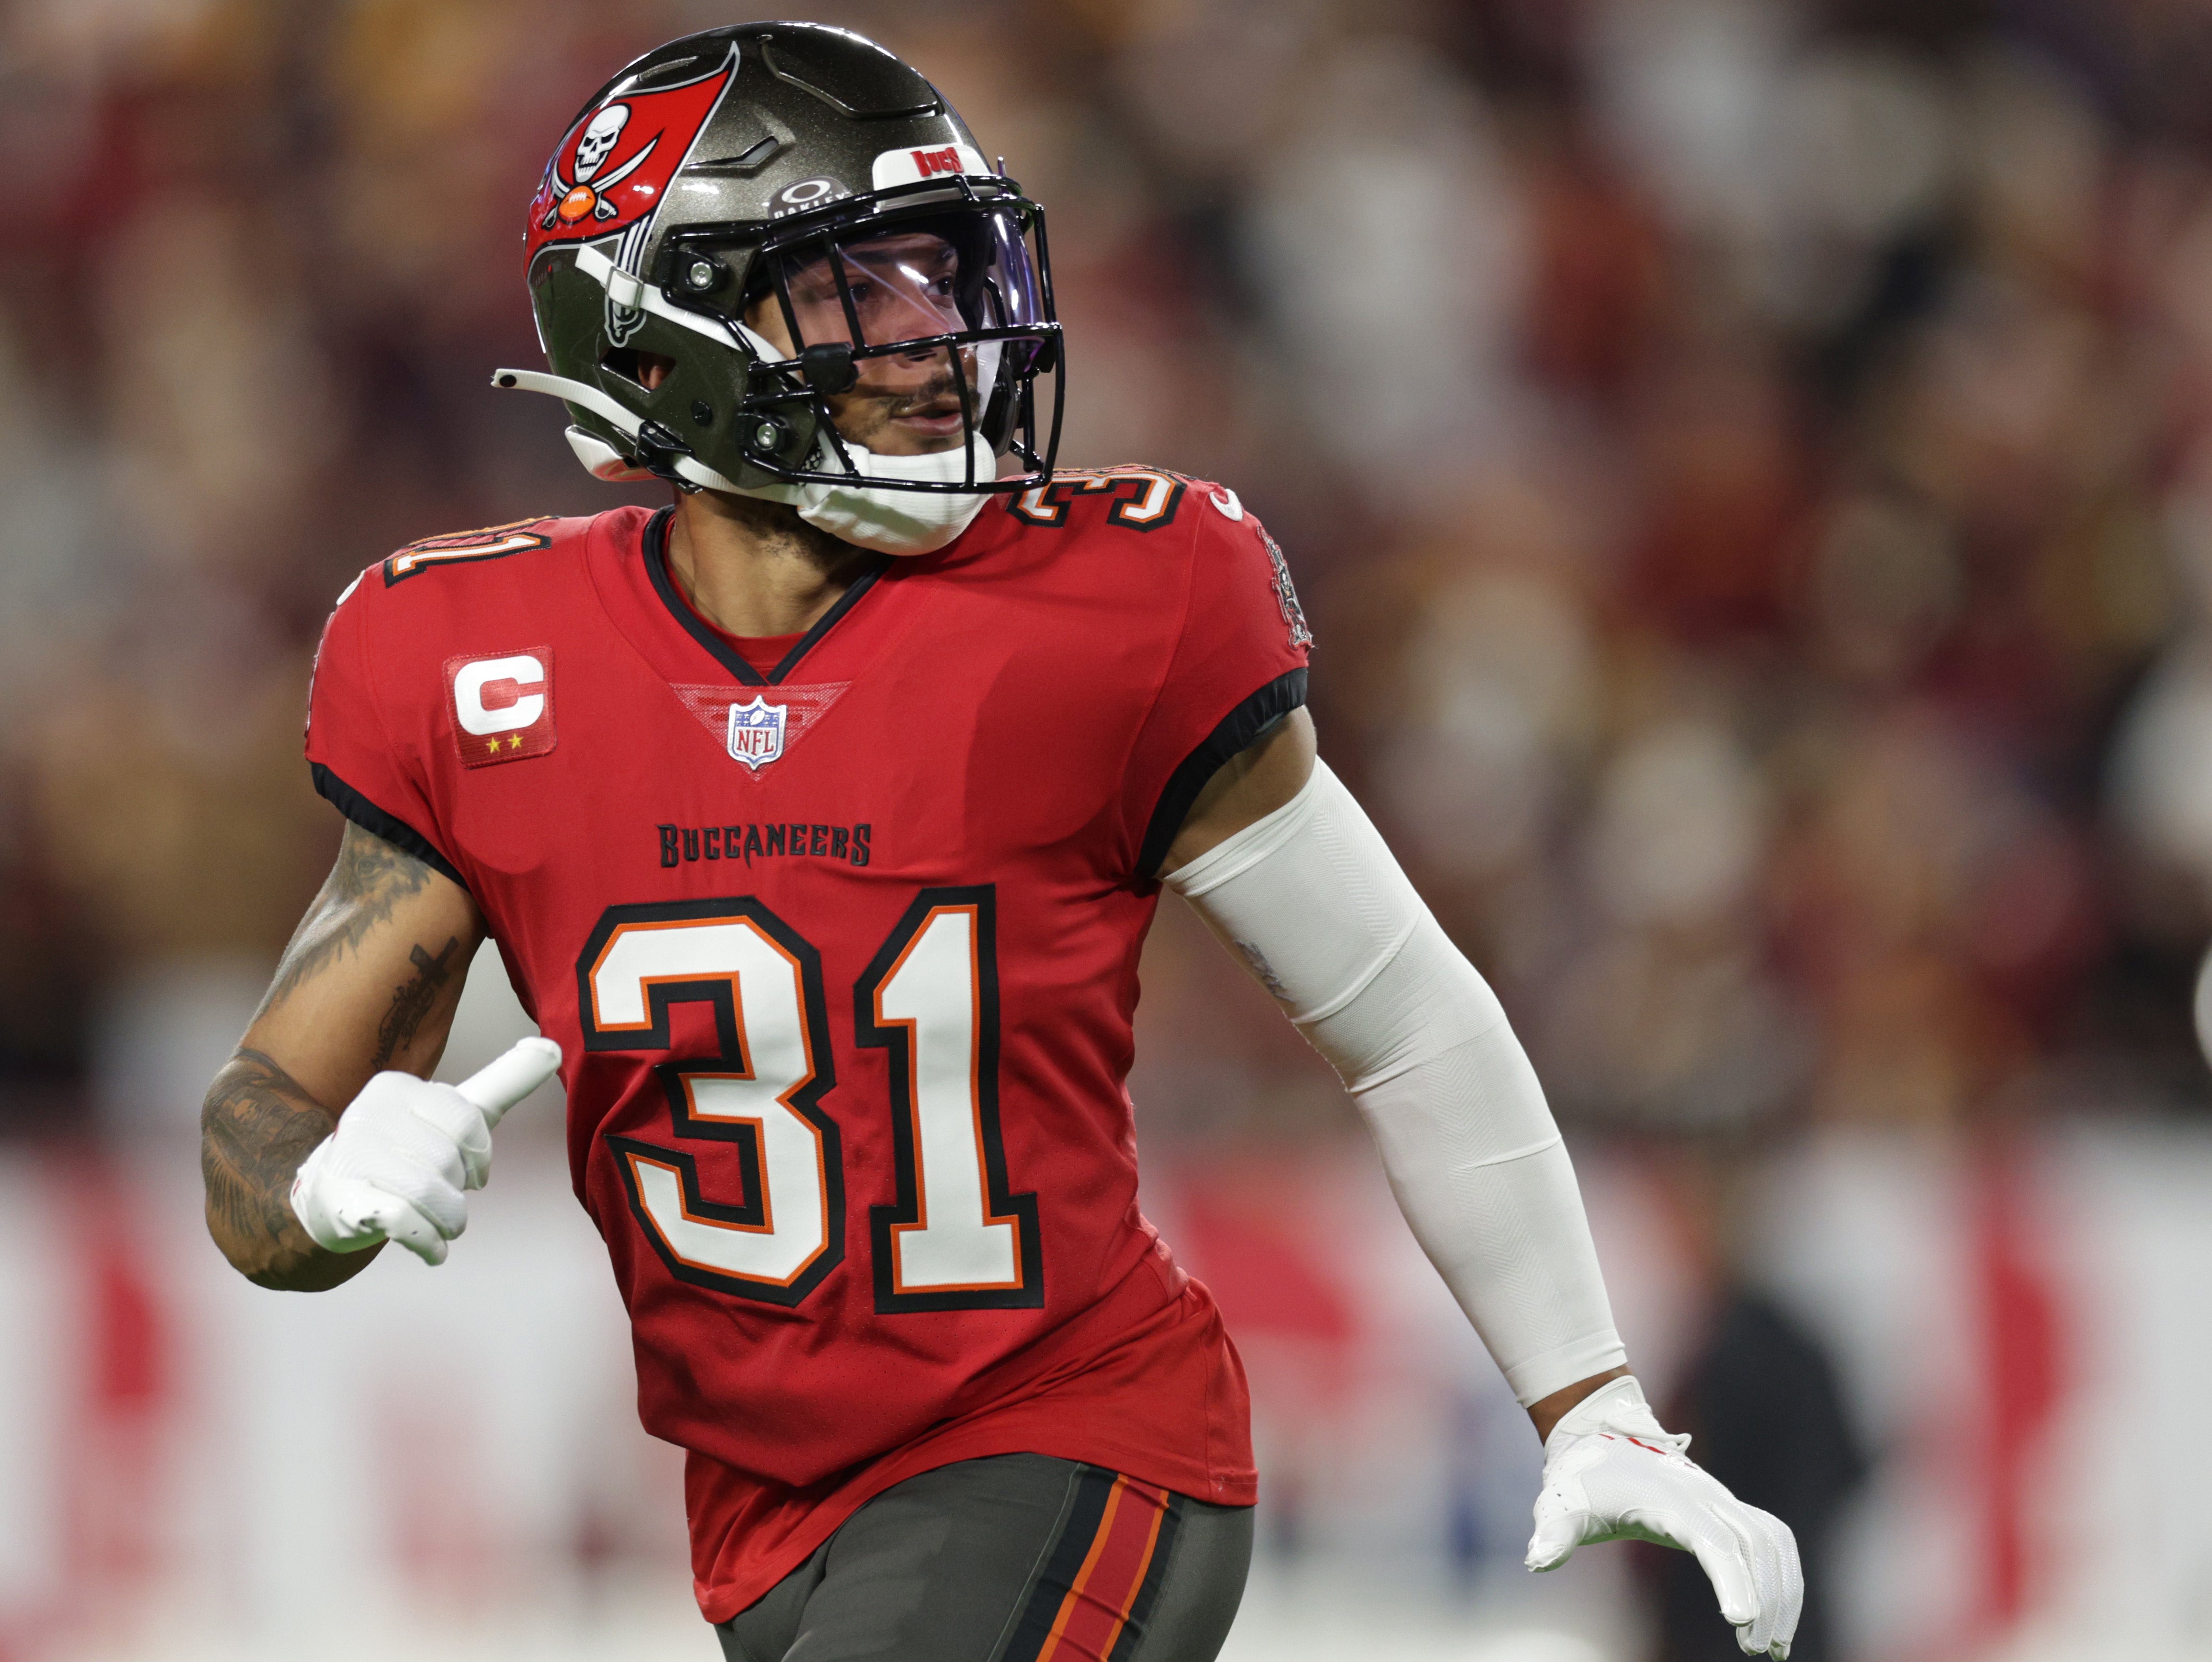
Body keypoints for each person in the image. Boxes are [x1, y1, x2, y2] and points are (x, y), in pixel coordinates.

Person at [196, 23, 1802, 1661]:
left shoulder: (1121, 603)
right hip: (764, 1520)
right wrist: (320, 1190)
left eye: (946, 275)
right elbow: (259, 1129)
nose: (935, 342)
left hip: (1076, 1430)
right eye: (856, 290)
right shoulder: (472, 668)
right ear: (659, 335)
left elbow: (1401, 1020)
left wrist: (1594, 1400)